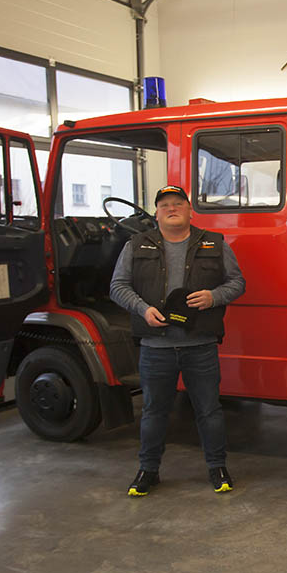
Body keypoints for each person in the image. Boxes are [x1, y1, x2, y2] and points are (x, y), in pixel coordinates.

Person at [110, 185, 246, 497]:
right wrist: (143, 310)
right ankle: (148, 470)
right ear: (156, 213)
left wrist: (214, 297)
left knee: (209, 411)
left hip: (200, 345)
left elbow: (237, 282)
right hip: (155, 348)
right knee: (154, 412)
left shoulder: (214, 242)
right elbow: (117, 286)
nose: (171, 208)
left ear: (189, 210)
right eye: (164, 205)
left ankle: (217, 467)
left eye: (178, 203)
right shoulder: (136, 244)